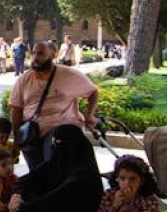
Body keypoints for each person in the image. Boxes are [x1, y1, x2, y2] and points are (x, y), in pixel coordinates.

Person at [9, 41, 99, 169]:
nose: (35, 57)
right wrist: (16, 140)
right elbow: (16, 109)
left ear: (53, 55)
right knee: (36, 174)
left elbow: (93, 92)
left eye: (41, 54)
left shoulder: (69, 75)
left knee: (52, 169)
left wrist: (90, 115)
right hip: (31, 134)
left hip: (61, 132)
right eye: (34, 53)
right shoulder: (23, 80)